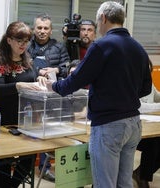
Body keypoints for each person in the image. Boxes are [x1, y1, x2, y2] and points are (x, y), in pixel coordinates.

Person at [46, 1, 152, 188]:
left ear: (103, 18)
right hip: (134, 124)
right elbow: (146, 89)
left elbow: (75, 81)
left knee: (105, 183)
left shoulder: (101, 46)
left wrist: (53, 86)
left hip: (109, 125)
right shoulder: (138, 47)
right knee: (124, 182)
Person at [0, 21, 45, 188]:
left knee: (28, 158)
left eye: (26, 41)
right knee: (4, 161)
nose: (23, 45)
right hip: (3, 115)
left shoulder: (27, 57)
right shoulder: (0, 59)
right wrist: (19, 86)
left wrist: (39, 78)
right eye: (19, 41)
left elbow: (32, 78)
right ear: (9, 40)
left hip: (25, 114)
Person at [27, 13, 70, 182]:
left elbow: (68, 67)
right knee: (30, 131)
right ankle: (26, 166)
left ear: (51, 30)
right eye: (39, 28)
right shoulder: (27, 46)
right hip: (29, 95)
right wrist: (37, 72)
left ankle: (45, 167)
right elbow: (21, 67)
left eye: (46, 28)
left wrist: (56, 70)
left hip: (52, 96)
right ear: (33, 29)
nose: (42, 31)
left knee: (50, 130)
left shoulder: (59, 47)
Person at [133, 59, 160, 188]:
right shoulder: (130, 83)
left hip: (148, 127)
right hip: (132, 130)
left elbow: (157, 96)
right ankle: (143, 176)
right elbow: (139, 106)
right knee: (154, 142)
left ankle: (140, 173)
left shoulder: (149, 83)